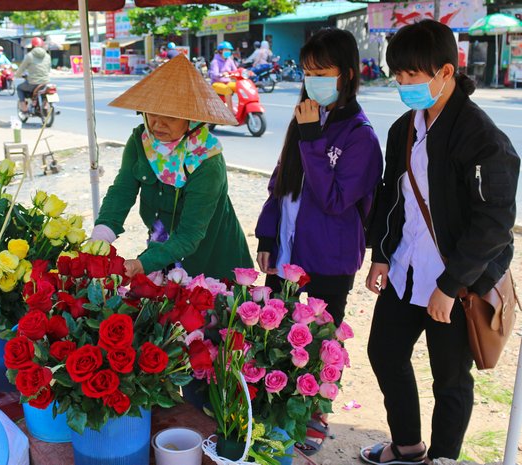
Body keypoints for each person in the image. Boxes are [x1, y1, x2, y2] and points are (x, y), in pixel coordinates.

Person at [361, 20, 519, 465]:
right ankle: (408, 446)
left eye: (413, 76)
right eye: (399, 76)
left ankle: (445, 457)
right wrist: (381, 255)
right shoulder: (403, 129)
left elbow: (494, 222)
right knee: (384, 351)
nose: (403, 84)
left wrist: (450, 286)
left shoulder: (483, 137)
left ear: (446, 72)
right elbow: (392, 195)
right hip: (407, 268)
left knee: (449, 377)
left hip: (456, 279)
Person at [255, 28, 383, 455]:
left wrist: (311, 140)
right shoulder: (304, 118)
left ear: (346, 74)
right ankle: (277, 410)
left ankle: (314, 415)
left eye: (322, 72)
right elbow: (280, 183)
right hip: (288, 254)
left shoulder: (360, 136)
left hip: (327, 259)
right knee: (278, 339)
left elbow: (334, 200)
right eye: (308, 72)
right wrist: (268, 233)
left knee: (320, 347)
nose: (313, 81)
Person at [91, 54, 253, 280]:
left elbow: (189, 235)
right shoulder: (141, 140)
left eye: (170, 116)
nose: (157, 123)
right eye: (152, 112)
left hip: (211, 255)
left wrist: (141, 264)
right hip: (161, 247)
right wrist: (101, 235)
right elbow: (122, 191)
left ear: (192, 119)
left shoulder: (206, 159)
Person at [15, 37, 51, 113]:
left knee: (19, 88)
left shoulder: (29, 56)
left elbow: (22, 68)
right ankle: (44, 105)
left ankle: (24, 108)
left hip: (33, 83)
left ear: (32, 45)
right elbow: (48, 69)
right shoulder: (47, 56)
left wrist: (17, 75)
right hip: (45, 83)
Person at [209, 41, 237, 111]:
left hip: (227, 82)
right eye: (226, 50)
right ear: (220, 51)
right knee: (228, 90)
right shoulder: (215, 61)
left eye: (229, 50)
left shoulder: (229, 60)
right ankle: (230, 112)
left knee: (239, 87)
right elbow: (215, 74)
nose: (228, 52)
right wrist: (222, 74)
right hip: (216, 83)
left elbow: (235, 71)